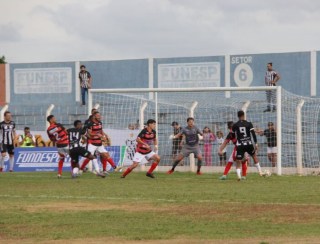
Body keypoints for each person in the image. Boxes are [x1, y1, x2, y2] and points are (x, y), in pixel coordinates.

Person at [232, 111, 264, 180]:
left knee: (238, 160)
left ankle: (239, 176)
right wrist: (255, 143)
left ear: (238, 116)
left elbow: (233, 135)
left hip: (240, 144)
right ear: (244, 115)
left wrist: (235, 142)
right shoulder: (249, 123)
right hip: (249, 143)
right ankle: (260, 172)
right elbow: (253, 134)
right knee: (254, 156)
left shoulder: (235, 125)